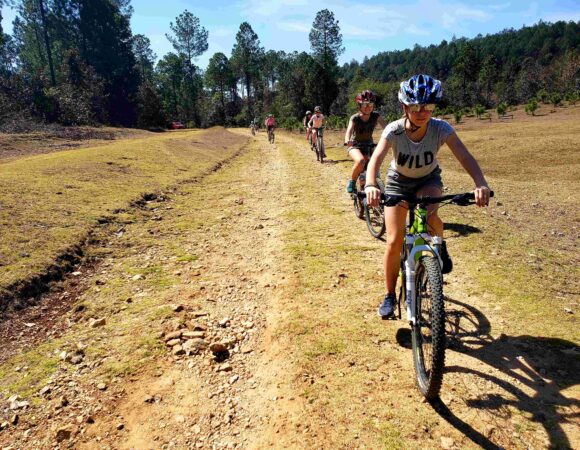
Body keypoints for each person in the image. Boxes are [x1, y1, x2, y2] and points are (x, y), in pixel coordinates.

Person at [364, 74, 491, 319]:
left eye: (429, 106)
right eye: (416, 106)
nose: (423, 112)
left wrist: (480, 183)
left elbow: (464, 156)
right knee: (394, 239)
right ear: (405, 107)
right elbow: (376, 159)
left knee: (430, 214)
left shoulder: (441, 128)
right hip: (398, 183)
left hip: (428, 180)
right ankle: (390, 295)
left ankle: (439, 247)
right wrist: (371, 184)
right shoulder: (394, 131)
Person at [344, 90, 387, 193]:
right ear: (360, 105)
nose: (368, 107)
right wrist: (347, 140)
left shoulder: (376, 116)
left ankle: (374, 184)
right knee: (361, 161)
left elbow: (387, 128)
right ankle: (352, 181)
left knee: (374, 164)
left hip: (369, 144)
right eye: (365, 104)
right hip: (355, 145)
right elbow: (349, 130)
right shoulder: (355, 118)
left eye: (370, 104)